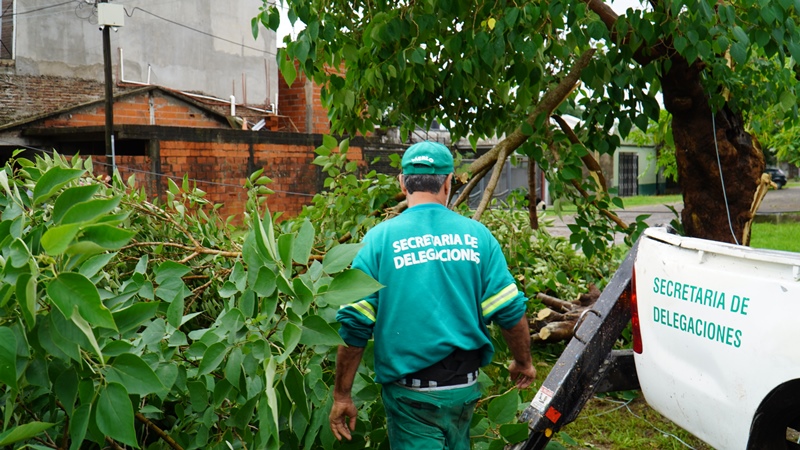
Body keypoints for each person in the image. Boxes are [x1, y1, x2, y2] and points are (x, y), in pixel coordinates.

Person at [329, 140, 536, 449]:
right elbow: (509, 310)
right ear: (449, 182)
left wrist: (342, 394)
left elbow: (355, 325)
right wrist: (523, 362)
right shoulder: (478, 237)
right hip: (463, 391)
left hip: (411, 397)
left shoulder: (379, 240)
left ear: (402, 182)